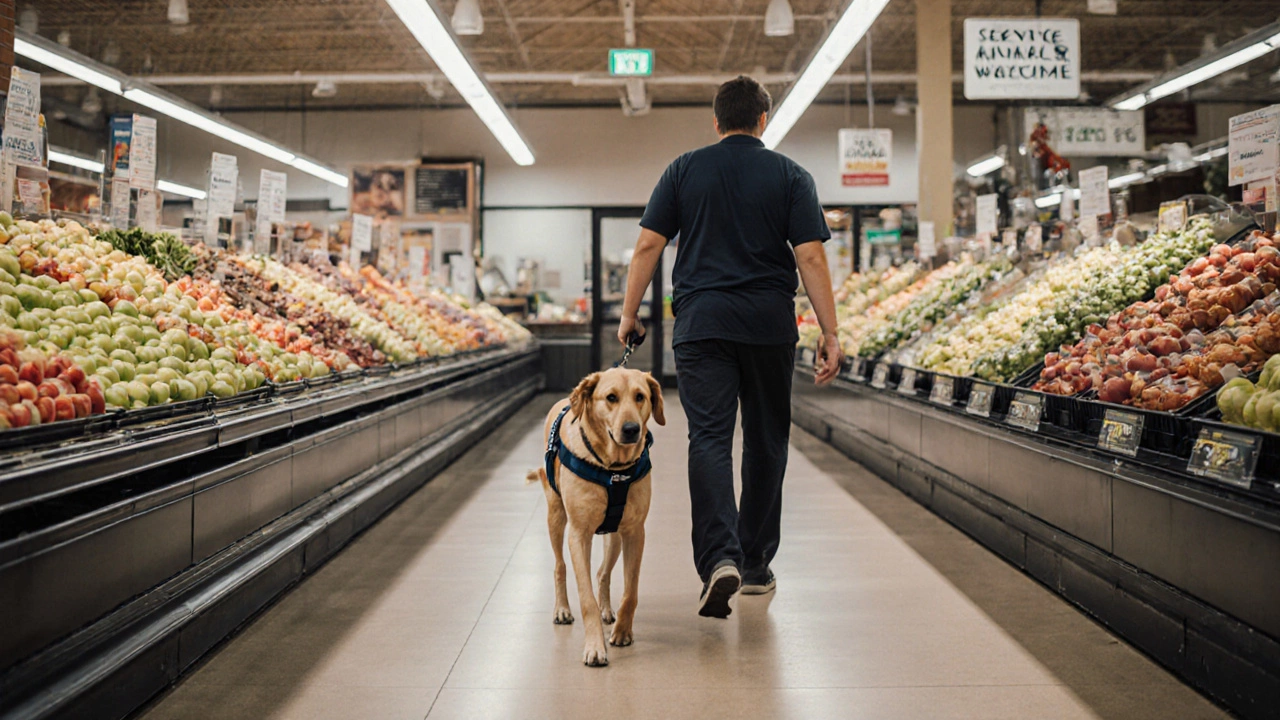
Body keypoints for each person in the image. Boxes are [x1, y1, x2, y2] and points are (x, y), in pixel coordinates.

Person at [616, 75, 843, 619]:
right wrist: (829, 331)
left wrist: (630, 313)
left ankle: (719, 559)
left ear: (716, 122)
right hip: (769, 324)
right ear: (764, 120)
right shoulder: (791, 175)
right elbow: (810, 257)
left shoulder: (684, 169)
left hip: (701, 325)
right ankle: (757, 565)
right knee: (767, 440)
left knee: (710, 439)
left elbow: (649, 242)